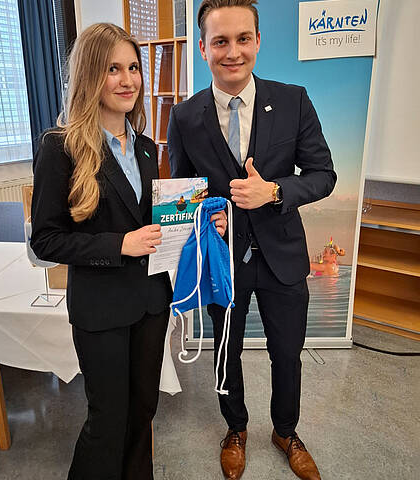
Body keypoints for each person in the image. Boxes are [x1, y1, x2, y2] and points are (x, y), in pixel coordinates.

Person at [31, 23, 226, 480]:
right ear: (89, 75)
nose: (127, 80)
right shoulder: (60, 147)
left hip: (151, 304)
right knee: (107, 421)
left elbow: (155, 224)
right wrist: (120, 244)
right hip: (101, 309)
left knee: (143, 412)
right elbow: (45, 240)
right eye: (112, 69)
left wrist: (201, 225)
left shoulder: (146, 148)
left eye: (133, 68)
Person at [167, 1, 336, 479]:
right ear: (203, 49)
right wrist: (206, 215)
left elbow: (323, 175)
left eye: (243, 39)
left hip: (283, 255)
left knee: (287, 353)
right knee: (227, 351)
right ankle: (235, 428)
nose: (233, 52)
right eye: (220, 41)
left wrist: (274, 191)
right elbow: (183, 193)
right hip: (223, 261)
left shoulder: (294, 100)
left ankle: (286, 431)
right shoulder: (184, 117)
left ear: (258, 41)